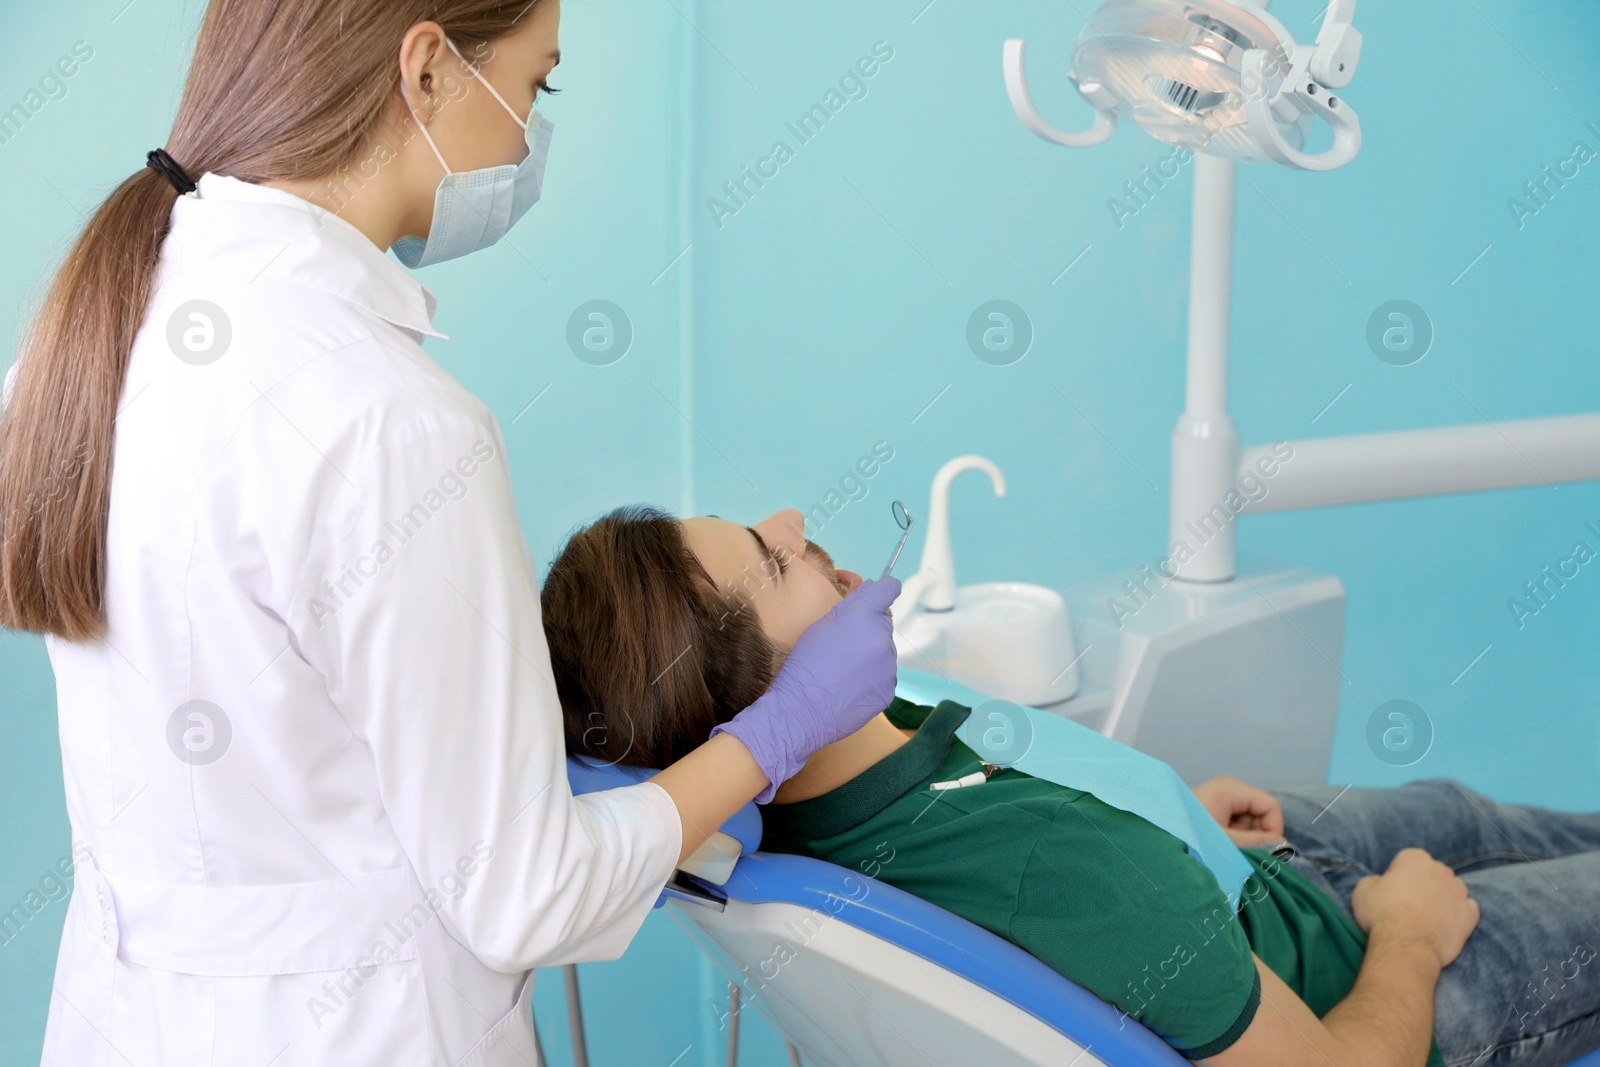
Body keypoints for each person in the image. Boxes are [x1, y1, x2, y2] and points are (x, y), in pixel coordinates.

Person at [0, 4, 899, 1064]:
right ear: (425, 70)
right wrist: (779, 727)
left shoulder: (97, 341)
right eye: (536, 85)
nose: (526, 137)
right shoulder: (393, 422)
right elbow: (527, 894)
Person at [539, 503, 1600, 1067]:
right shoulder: (1063, 869)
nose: (790, 517)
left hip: (1237, 870)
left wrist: (1169, 814)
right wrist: (1409, 931)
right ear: (772, 704)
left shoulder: (832, 781)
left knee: (1465, 805)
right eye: (771, 565)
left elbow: (1017, 801)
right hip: (1368, 986)